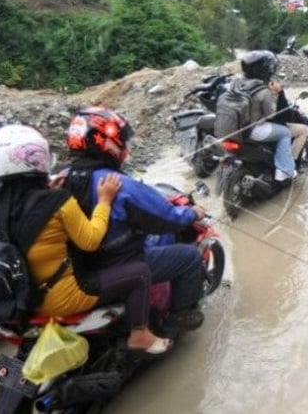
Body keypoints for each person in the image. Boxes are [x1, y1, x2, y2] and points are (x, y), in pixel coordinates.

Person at [0, 124, 172, 354]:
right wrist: (104, 200)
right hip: (61, 298)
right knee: (140, 273)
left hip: (21, 300)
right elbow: (90, 241)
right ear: (38, 158)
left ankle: (8, 375)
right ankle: (139, 334)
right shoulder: (57, 200)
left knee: (15, 364)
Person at [63, 106, 206, 331]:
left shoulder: (61, 179)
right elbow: (166, 217)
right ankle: (179, 315)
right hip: (117, 262)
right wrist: (191, 213)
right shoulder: (115, 182)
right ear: (105, 142)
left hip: (80, 267)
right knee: (189, 257)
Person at [239, 50, 298, 181]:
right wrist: (276, 93)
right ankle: (284, 171)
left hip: (234, 127)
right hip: (252, 130)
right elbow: (271, 114)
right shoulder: (263, 88)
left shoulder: (239, 83)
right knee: (285, 133)